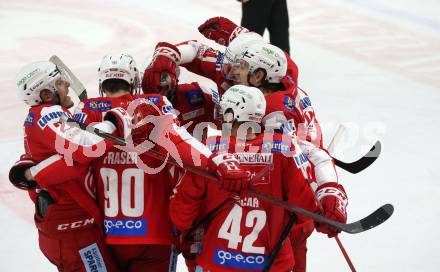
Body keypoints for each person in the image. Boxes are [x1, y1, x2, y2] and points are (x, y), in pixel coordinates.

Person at [144, 17, 348, 271]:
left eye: (237, 67)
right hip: (243, 208)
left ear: (258, 76)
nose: (229, 73)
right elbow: (198, 52)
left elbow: (312, 156)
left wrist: (329, 192)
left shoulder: (276, 116)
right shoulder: (258, 76)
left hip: (277, 219)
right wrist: (169, 54)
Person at [22, 53, 251, 271]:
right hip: (156, 233)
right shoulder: (153, 104)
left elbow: (71, 161)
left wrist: (32, 172)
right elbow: (180, 141)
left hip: (109, 233)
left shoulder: (88, 112)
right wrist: (215, 162)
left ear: (102, 82)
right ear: (134, 81)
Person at [170, 85, 317, 271]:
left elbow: (182, 210)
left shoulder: (209, 148)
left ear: (232, 114)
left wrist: (184, 235)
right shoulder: (283, 147)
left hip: (216, 262)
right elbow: (305, 211)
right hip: (272, 264)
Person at [8, 60, 131, 272]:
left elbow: (68, 152)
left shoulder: (49, 115)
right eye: (59, 81)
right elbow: (82, 149)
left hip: (73, 228)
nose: (66, 83)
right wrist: (113, 123)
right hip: (71, 230)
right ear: (47, 94)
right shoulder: (47, 112)